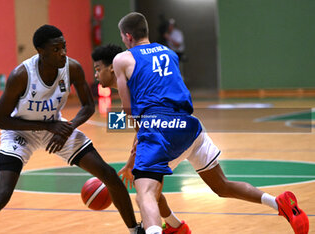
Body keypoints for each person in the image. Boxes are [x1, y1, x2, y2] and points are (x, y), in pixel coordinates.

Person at [109, 12, 309, 234]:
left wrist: (138, 143)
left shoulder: (122, 59)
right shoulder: (169, 53)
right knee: (221, 186)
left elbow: (129, 111)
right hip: (190, 126)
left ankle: (171, 228)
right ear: (145, 31)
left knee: (145, 193)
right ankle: (278, 202)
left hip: (161, 128)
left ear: (127, 36)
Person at [0, 25, 144, 234]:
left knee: (108, 175)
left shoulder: (72, 68)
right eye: (56, 49)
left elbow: (88, 106)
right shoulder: (21, 75)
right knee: (3, 192)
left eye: (64, 47)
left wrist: (68, 128)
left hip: (58, 127)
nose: (63, 53)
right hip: (20, 131)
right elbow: (1, 120)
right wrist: (47, 126)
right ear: (41, 51)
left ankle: (135, 230)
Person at [92, 44, 191, 234]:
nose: (96, 75)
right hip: (165, 132)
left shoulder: (135, 87)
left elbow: (142, 127)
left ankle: (168, 227)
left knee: (145, 192)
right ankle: (176, 226)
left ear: (111, 67)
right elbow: (140, 129)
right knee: (147, 188)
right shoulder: (128, 85)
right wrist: (131, 161)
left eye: (98, 69)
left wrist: (131, 161)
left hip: (169, 133)